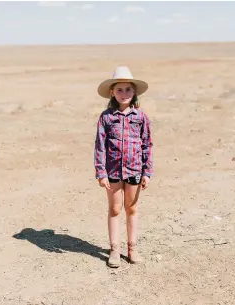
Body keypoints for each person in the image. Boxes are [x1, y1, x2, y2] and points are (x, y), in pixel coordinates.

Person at [94, 66, 154, 268]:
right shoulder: (106, 117)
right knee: (115, 208)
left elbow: (147, 144)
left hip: (135, 169)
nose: (124, 93)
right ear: (112, 92)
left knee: (132, 208)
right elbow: (100, 146)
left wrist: (147, 171)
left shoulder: (140, 117)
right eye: (119, 90)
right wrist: (101, 172)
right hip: (112, 171)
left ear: (134, 91)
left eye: (128, 89)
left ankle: (132, 248)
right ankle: (114, 250)